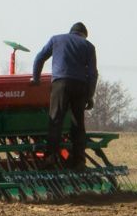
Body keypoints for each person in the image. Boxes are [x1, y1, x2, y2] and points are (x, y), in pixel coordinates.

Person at [31, 22, 98, 169]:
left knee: (56, 120)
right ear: (84, 35)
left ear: (71, 32)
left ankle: (50, 158)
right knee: (78, 124)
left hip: (60, 83)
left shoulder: (56, 39)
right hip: (80, 85)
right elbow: (93, 74)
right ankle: (79, 161)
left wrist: (36, 79)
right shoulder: (88, 46)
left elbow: (39, 58)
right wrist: (89, 95)